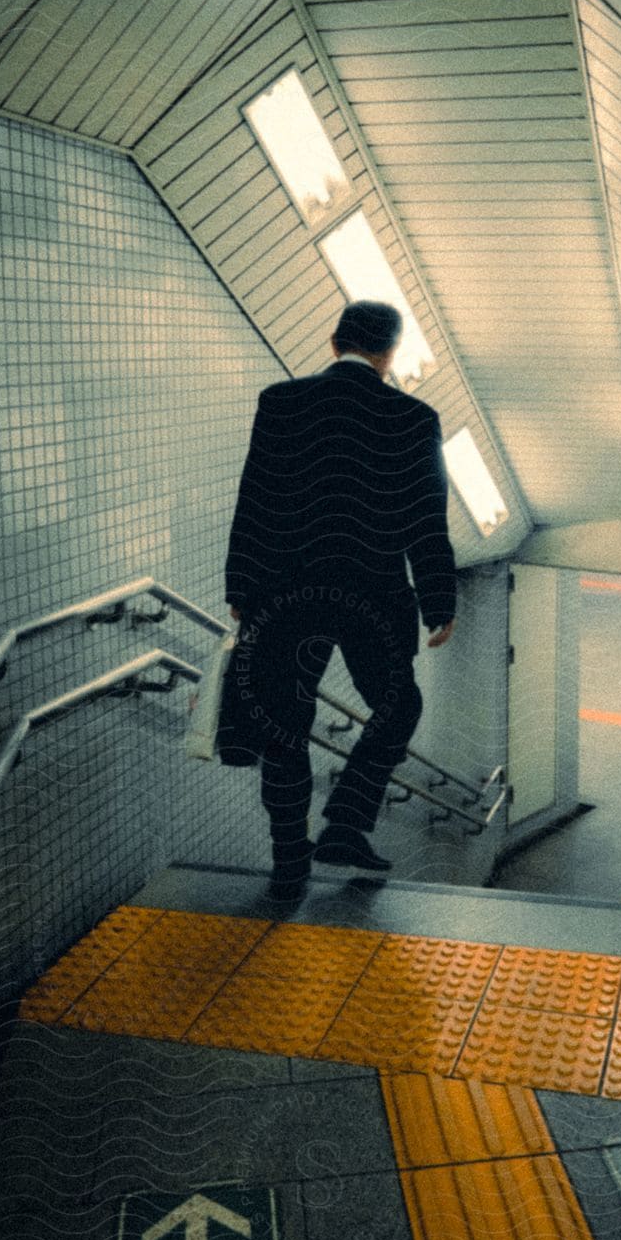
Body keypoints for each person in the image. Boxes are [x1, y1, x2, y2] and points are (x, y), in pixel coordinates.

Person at [223, 300, 458, 902]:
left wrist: (241, 588)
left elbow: (257, 497)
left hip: (285, 593)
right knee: (397, 706)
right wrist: (438, 601)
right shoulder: (413, 418)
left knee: (284, 726)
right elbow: (426, 518)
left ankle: (288, 868)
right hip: (371, 596)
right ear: (389, 354)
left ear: (334, 343)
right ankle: (346, 824)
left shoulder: (281, 402)